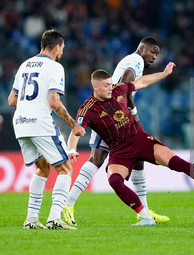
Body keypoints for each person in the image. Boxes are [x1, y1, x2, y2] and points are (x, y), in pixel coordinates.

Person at [67, 66, 194, 226]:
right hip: (119, 150)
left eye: (110, 83)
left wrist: (163, 74)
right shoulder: (87, 109)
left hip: (140, 138)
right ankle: (145, 217)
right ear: (95, 86)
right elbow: (75, 131)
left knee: (175, 162)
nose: (110, 87)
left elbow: (142, 82)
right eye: (106, 85)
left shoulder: (118, 89)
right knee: (114, 180)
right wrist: (72, 149)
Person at [63, 37, 169, 226]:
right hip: (111, 116)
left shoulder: (131, 60)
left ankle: (143, 211)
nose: (154, 56)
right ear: (142, 48)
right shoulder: (136, 62)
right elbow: (123, 86)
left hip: (114, 114)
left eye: (156, 54)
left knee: (137, 159)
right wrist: (132, 113)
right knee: (97, 159)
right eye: (152, 51)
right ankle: (68, 204)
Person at [7, 29, 86, 230]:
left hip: (21, 123)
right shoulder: (55, 67)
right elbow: (54, 102)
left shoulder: (24, 65)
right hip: (40, 122)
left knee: (43, 168)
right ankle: (54, 218)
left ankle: (31, 220)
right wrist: (73, 125)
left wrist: (31, 108)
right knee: (66, 168)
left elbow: (11, 100)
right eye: (63, 48)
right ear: (57, 46)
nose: (62, 53)